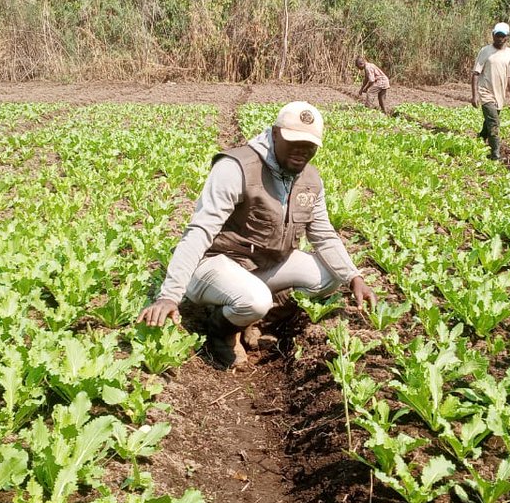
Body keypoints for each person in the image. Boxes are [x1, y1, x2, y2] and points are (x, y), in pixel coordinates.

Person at [137, 101, 377, 368]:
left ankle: (251, 318)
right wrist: (169, 294)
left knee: (330, 276)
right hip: (214, 264)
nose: (301, 151)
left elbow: (324, 233)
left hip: (262, 265)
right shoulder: (237, 167)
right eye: (293, 141)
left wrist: (354, 276)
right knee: (254, 299)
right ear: (274, 134)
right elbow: (200, 231)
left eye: (309, 145)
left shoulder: (310, 179)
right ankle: (220, 332)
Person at [470, 22, 510, 160]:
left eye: (502, 36)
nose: (499, 38)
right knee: (494, 123)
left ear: (507, 37)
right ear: (493, 35)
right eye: (497, 35)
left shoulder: (509, 53)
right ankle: (495, 155)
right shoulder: (485, 51)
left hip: (499, 95)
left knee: (490, 121)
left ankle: (479, 139)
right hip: (486, 93)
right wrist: (475, 96)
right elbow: (475, 73)